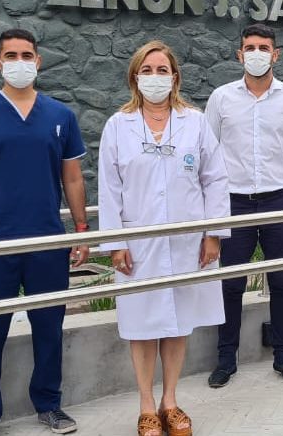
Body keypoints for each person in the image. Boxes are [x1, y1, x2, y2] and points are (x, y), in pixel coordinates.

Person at [0, 29, 89, 435]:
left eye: (27, 55)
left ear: (38, 61)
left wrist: (80, 230)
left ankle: (49, 404)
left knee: (49, 329)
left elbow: (73, 179)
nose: (19, 62)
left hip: (47, 240)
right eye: (10, 55)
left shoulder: (60, 116)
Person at [97, 40, 231, 436]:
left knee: (177, 323)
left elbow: (215, 178)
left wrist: (213, 234)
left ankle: (169, 401)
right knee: (141, 325)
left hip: (187, 241)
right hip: (138, 244)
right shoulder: (118, 125)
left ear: (175, 78)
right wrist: (116, 242)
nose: (155, 77)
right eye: (147, 70)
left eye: (162, 70)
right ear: (134, 77)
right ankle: (146, 406)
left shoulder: (195, 122)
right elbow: (109, 188)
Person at [205, 23, 283, 387]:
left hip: (278, 201)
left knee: (281, 281)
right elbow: (208, 154)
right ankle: (226, 359)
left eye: (263, 47)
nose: (257, 54)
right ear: (239, 54)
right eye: (250, 47)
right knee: (230, 284)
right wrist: (209, 209)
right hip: (233, 203)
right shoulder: (221, 98)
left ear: (276, 54)